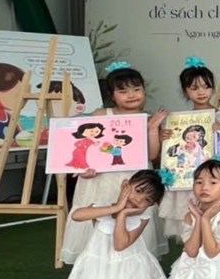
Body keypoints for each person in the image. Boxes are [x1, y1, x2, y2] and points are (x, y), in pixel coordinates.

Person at [60, 62, 167, 264]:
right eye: (123, 91)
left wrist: (153, 129)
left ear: (144, 90)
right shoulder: (101, 115)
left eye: (136, 89)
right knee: (100, 216)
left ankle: (133, 261)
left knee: (133, 214)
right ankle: (96, 261)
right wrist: (83, 169)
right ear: (112, 95)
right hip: (100, 179)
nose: (131, 95)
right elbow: (87, 146)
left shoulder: (148, 119)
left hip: (135, 177)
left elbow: (152, 154)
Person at [44, 171, 167, 279]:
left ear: (151, 205)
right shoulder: (102, 207)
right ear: (125, 185)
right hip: (98, 268)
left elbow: (120, 245)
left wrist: (123, 215)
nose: (139, 200)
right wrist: (116, 208)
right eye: (138, 191)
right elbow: (76, 216)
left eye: (147, 200)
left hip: (128, 274)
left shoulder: (143, 218)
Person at [157, 57, 220, 240]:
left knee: (215, 227)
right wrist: (164, 139)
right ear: (185, 91)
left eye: (206, 87)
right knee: (189, 227)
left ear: (212, 88)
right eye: (194, 88)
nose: (201, 92)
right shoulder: (177, 121)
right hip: (186, 180)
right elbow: (170, 154)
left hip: (214, 180)